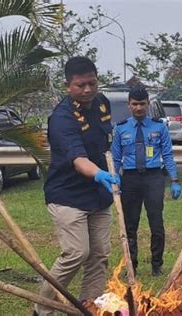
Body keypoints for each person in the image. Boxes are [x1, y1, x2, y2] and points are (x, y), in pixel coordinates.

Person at [35, 57, 120, 315]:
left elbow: (104, 141)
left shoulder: (102, 103)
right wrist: (99, 174)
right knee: (76, 252)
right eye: (80, 85)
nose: (87, 90)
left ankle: (89, 307)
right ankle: (42, 309)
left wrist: (112, 172)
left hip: (97, 195)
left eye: (92, 83)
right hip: (67, 194)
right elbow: (78, 159)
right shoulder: (62, 117)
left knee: (99, 254)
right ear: (67, 86)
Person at [111, 85, 181, 277]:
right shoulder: (120, 128)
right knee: (129, 224)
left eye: (142, 104)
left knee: (156, 223)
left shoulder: (159, 127)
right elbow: (115, 157)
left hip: (153, 178)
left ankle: (156, 264)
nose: (139, 108)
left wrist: (174, 179)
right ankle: (131, 264)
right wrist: (115, 176)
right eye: (135, 104)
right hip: (130, 180)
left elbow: (167, 154)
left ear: (148, 104)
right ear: (129, 105)